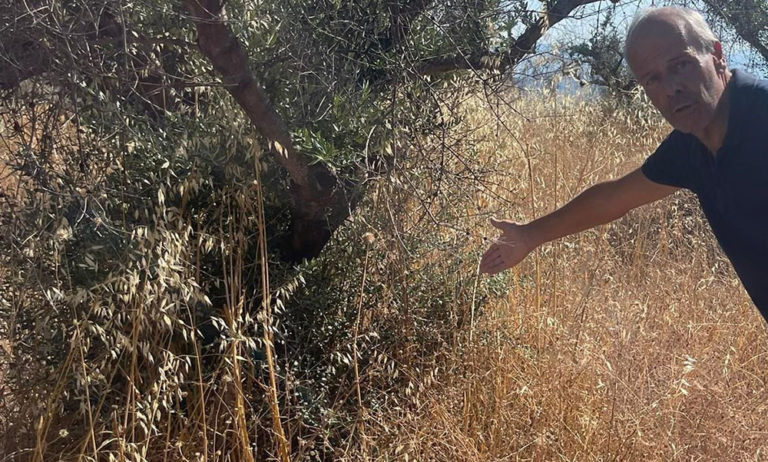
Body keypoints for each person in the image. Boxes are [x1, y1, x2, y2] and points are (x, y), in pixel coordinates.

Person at [479, 6, 768, 318]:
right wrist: (529, 235)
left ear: (717, 54)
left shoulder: (760, 117)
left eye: (681, 64)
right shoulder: (691, 144)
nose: (671, 89)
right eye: (653, 79)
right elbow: (614, 198)